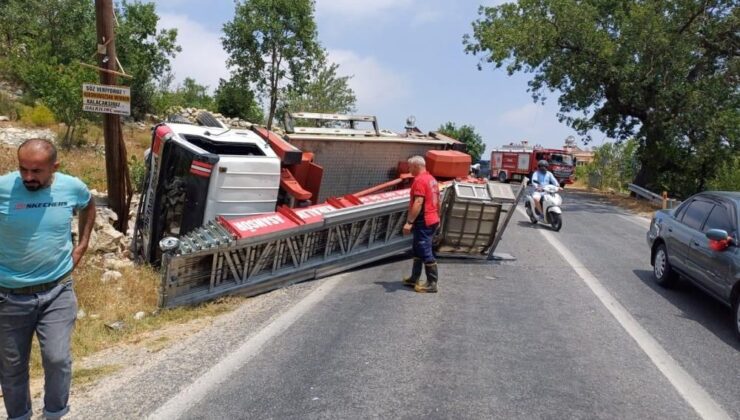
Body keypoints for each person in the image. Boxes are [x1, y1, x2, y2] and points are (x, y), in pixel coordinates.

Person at [0, 139, 95, 420]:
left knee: (57, 359)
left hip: (57, 290)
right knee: (12, 365)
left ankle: (55, 413)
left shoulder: (71, 186)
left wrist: (83, 245)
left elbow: (89, 204)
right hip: (8, 295)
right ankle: (19, 416)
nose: (28, 177)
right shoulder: (3, 188)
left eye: (37, 171)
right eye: (23, 169)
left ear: (55, 167)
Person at [402, 156, 440, 293]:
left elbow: (418, 203)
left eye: (410, 166)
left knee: (425, 250)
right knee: (417, 249)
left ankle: (432, 283)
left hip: (424, 220)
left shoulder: (419, 181)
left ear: (416, 166)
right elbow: (436, 200)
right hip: (432, 218)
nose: (409, 169)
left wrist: (409, 222)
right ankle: (414, 278)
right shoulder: (431, 179)